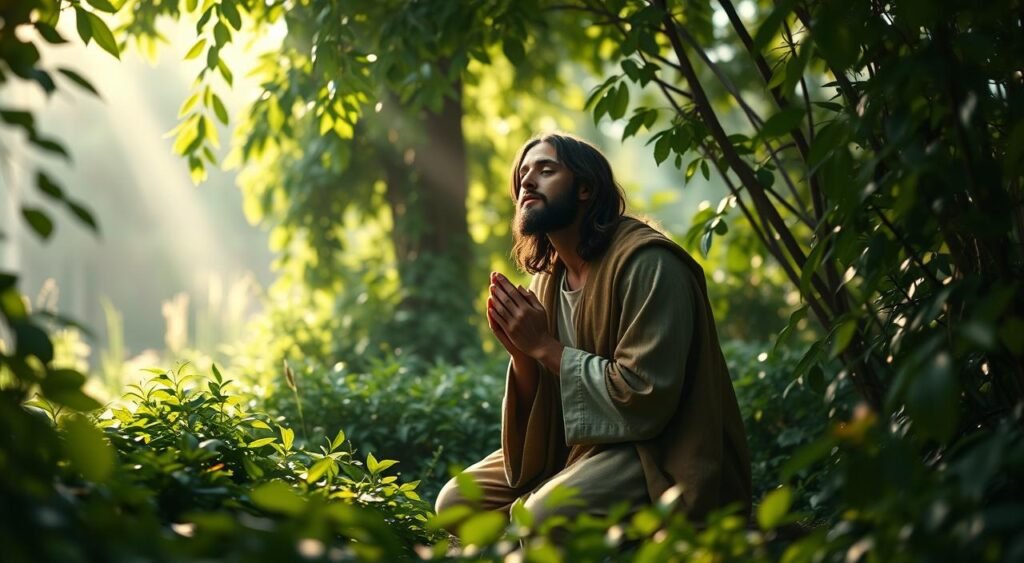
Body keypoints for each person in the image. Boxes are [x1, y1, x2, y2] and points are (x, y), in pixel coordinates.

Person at [434, 132, 751, 527]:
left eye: (546, 170)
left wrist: (544, 346)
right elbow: (548, 402)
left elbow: (645, 396)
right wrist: (522, 353)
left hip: (653, 449)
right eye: (523, 175)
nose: (527, 181)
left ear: (585, 188)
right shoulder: (547, 280)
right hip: (572, 444)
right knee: (455, 504)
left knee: (540, 517)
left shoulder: (649, 264)